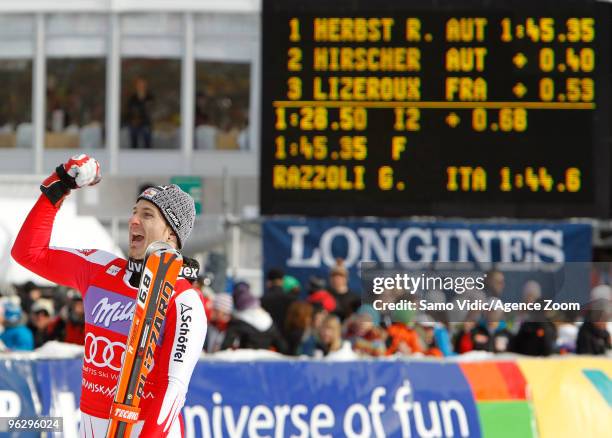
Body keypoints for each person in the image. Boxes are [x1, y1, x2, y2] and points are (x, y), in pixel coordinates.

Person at [11, 154, 207, 437]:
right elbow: (28, 253)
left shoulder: (184, 300)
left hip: (143, 430)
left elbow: (172, 390)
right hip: (91, 426)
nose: (133, 221)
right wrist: (58, 186)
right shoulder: (100, 269)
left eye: (147, 215)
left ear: (172, 233)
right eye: (134, 212)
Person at [221, 282, 288, 353]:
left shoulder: (237, 323)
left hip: (245, 361)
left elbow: (225, 348)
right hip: (265, 360)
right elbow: (282, 347)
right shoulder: (268, 320)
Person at [127, 77, 154, 149]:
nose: (141, 86)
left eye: (142, 84)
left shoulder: (150, 97)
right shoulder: (133, 98)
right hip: (135, 122)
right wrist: (133, 119)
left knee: (147, 135)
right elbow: (129, 110)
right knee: (133, 134)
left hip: (146, 122)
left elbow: (151, 110)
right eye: (139, 84)